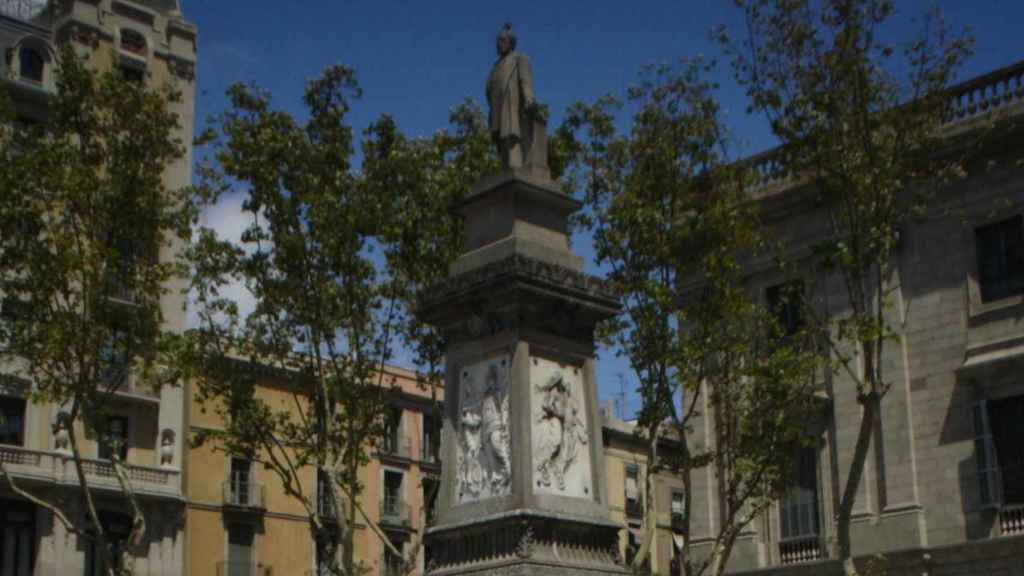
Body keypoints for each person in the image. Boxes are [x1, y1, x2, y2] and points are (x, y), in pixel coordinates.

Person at [486, 23, 547, 172]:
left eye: (502, 41)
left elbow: (525, 81)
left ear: (510, 42)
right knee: (500, 140)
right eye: (498, 41)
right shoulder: (495, 66)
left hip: (511, 104)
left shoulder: (520, 58)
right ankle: (505, 169)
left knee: (511, 135)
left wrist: (529, 98)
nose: (498, 44)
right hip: (496, 107)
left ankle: (516, 165)